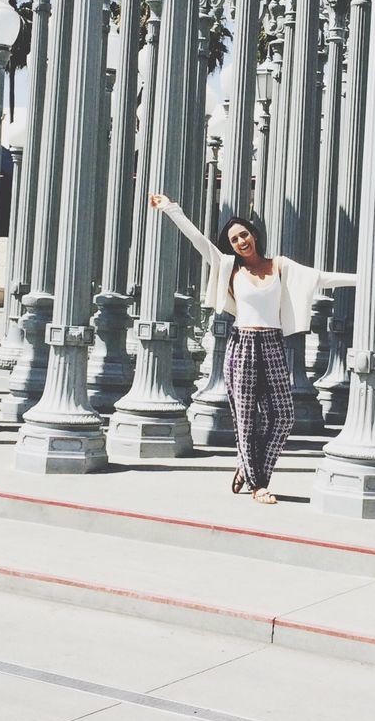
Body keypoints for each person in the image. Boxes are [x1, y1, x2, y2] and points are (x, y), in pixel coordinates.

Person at [149, 193, 357, 505]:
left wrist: (364, 279)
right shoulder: (228, 267)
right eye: (234, 239)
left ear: (254, 235)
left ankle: (246, 466)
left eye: (244, 234)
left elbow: (320, 279)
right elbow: (197, 240)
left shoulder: (280, 266)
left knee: (284, 417)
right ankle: (259, 483)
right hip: (242, 345)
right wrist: (170, 208)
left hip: (273, 344)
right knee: (246, 418)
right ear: (230, 246)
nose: (241, 241)